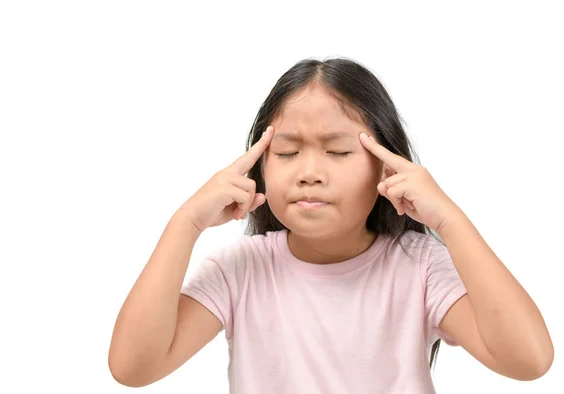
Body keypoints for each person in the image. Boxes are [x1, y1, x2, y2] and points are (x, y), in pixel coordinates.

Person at [108, 57, 554, 393]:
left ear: (386, 168)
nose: (309, 171)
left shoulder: (418, 266)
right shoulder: (241, 270)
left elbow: (528, 360)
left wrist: (450, 221)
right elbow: (133, 368)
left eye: (338, 152)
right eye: (286, 152)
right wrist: (184, 224)